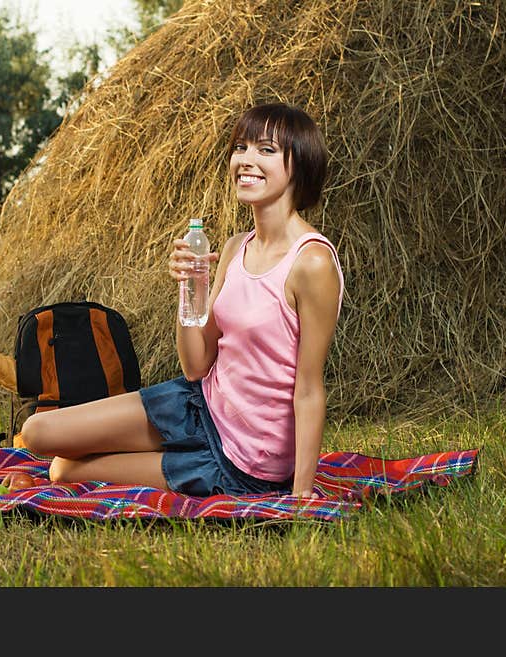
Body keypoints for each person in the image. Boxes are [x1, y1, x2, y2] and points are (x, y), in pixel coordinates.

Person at [20, 103, 344, 498]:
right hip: (199, 405)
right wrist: (191, 288)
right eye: (240, 147)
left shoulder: (312, 262)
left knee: (63, 471)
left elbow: (309, 387)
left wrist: (301, 491)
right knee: (37, 432)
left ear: (301, 164)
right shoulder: (234, 248)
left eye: (266, 150)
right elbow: (195, 366)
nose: (245, 160)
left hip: (241, 459)